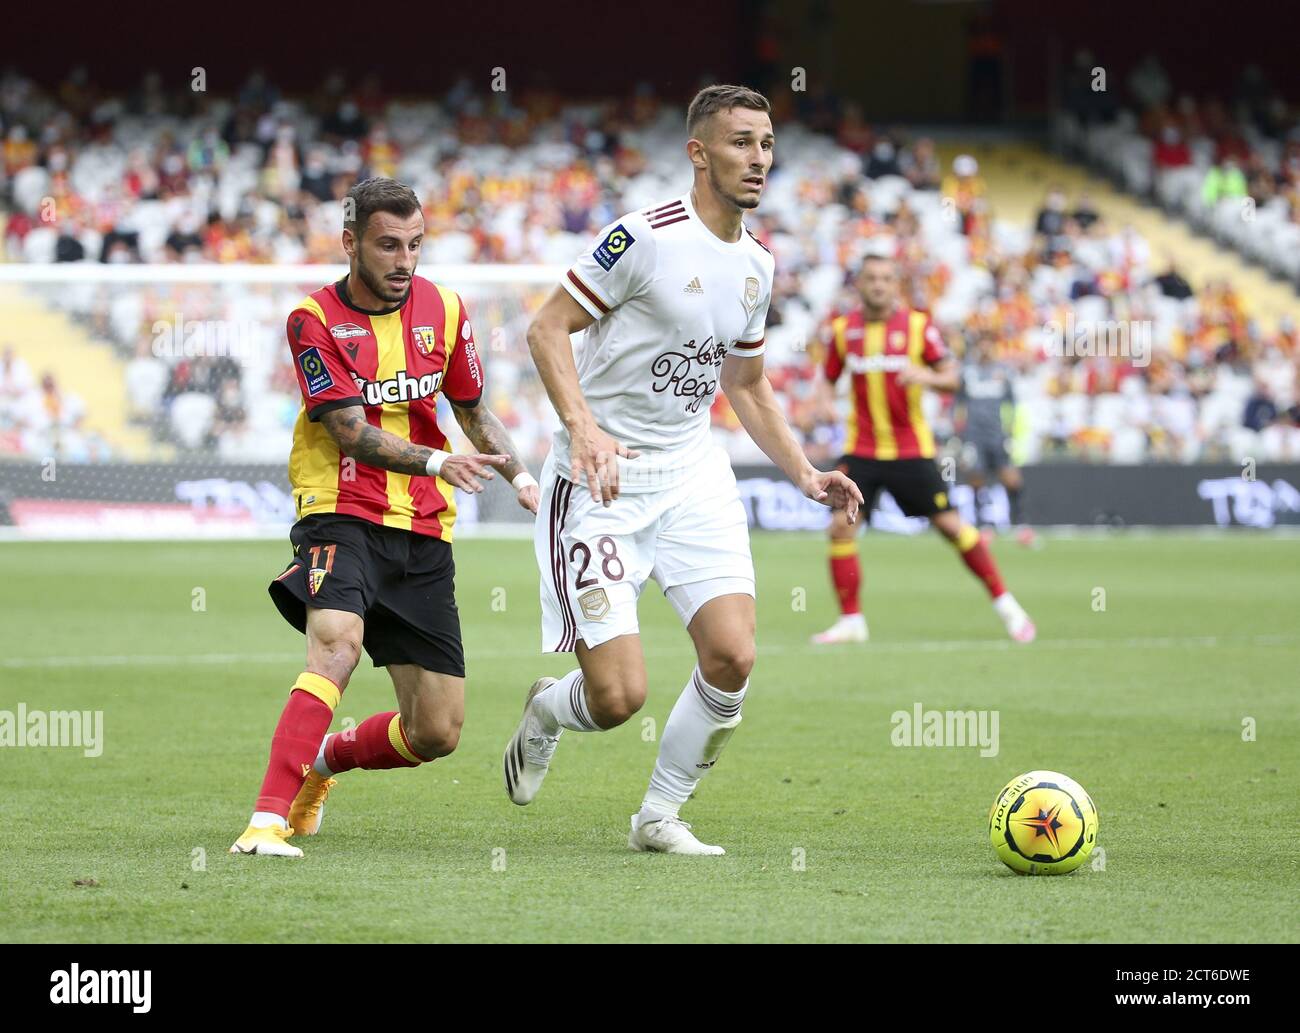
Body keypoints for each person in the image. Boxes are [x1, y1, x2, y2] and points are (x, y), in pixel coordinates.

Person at [504, 84, 861, 855]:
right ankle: (546, 709)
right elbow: (546, 328)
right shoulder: (645, 239)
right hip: (598, 483)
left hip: (694, 473)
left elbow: (746, 384)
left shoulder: (759, 264)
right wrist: (585, 428)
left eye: (766, 143)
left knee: (733, 655)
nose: (758, 159)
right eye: (740, 142)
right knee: (618, 696)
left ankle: (657, 815)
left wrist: (805, 471)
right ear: (699, 153)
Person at [230, 177, 538, 857]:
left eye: (415, 245)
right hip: (340, 510)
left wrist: (520, 474)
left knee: (436, 730)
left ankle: (325, 763)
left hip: (425, 528)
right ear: (351, 244)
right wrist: (434, 462)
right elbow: (346, 429)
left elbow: (472, 410)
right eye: (388, 245)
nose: (405, 260)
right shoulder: (313, 319)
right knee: (335, 643)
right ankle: (264, 820)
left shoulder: (446, 310)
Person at [811, 254, 1035, 645]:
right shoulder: (844, 331)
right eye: (871, 279)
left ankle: (1008, 606)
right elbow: (828, 378)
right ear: (859, 285)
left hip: (911, 450)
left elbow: (952, 378)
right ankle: (851, 621)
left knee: (950, 527)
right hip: (861, 449)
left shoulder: (918, 327)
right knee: (840, 528)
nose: (878, 285)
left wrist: (926, 376)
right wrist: (825, 401)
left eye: (885, 278)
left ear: (895, 285)